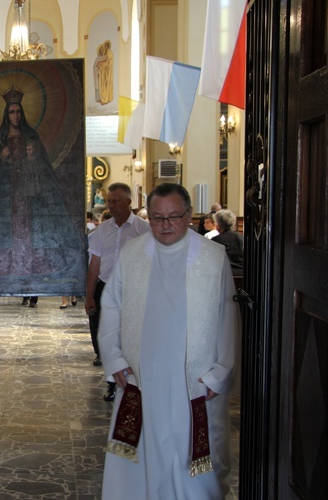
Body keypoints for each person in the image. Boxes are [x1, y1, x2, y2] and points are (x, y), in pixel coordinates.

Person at [99, 183, 239, 498]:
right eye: (158, 218)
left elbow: (227, 315)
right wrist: (115, 358)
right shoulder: (132, 254)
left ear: (189, 215)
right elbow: (112, 306)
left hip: (193, 379)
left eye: (174, 217)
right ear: (148, 218)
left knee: (192, 460)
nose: (165, 225)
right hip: (141, 374)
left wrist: (220, 372)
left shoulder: (213, 257)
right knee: (139, 455)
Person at [0, 86, 83, 295]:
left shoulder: (31, 136)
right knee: (7, 227)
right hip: (4, 194)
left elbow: (42, 164)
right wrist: (4, 162)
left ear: (22, 114)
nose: (15, 116)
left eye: (18, 112)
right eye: (11, 112)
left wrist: (30, 162)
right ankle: (6, 267)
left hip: (29, 192)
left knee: (31, 226)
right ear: (6, 115)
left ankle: (31, 266)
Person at [84, 183, 150, 401]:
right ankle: (112, 382)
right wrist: (90, 295)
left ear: (129, 202)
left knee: (130, 336)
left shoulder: (143, 229)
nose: (110, 205)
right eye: (109, 201)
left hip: (133, 290)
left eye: (115, 201)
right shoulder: (102, 230)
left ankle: (133, 380)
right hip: (106, 286)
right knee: (109, 335)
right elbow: (95, 265)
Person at [212, 209, 244, 277]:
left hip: (224, 275)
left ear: (218, 225)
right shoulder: (241, 238)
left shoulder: (216, 240)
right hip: (242, 274)